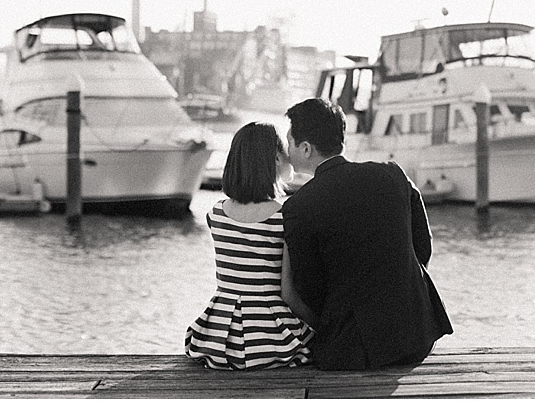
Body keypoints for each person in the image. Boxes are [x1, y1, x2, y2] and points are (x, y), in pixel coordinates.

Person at [282, 98, 453, 370]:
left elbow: (308, 287)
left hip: (355, 350)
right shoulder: (393, 175)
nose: (287, 149)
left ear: (305, 149)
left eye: (289, 141)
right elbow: (423, 245)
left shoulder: (299, 206)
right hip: (418, 336)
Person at [185, 122, 314, 369]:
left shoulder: (216, 214)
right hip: (269, 336)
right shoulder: (286, 216)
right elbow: (288, 293)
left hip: (220, 336)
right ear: (276, 159)